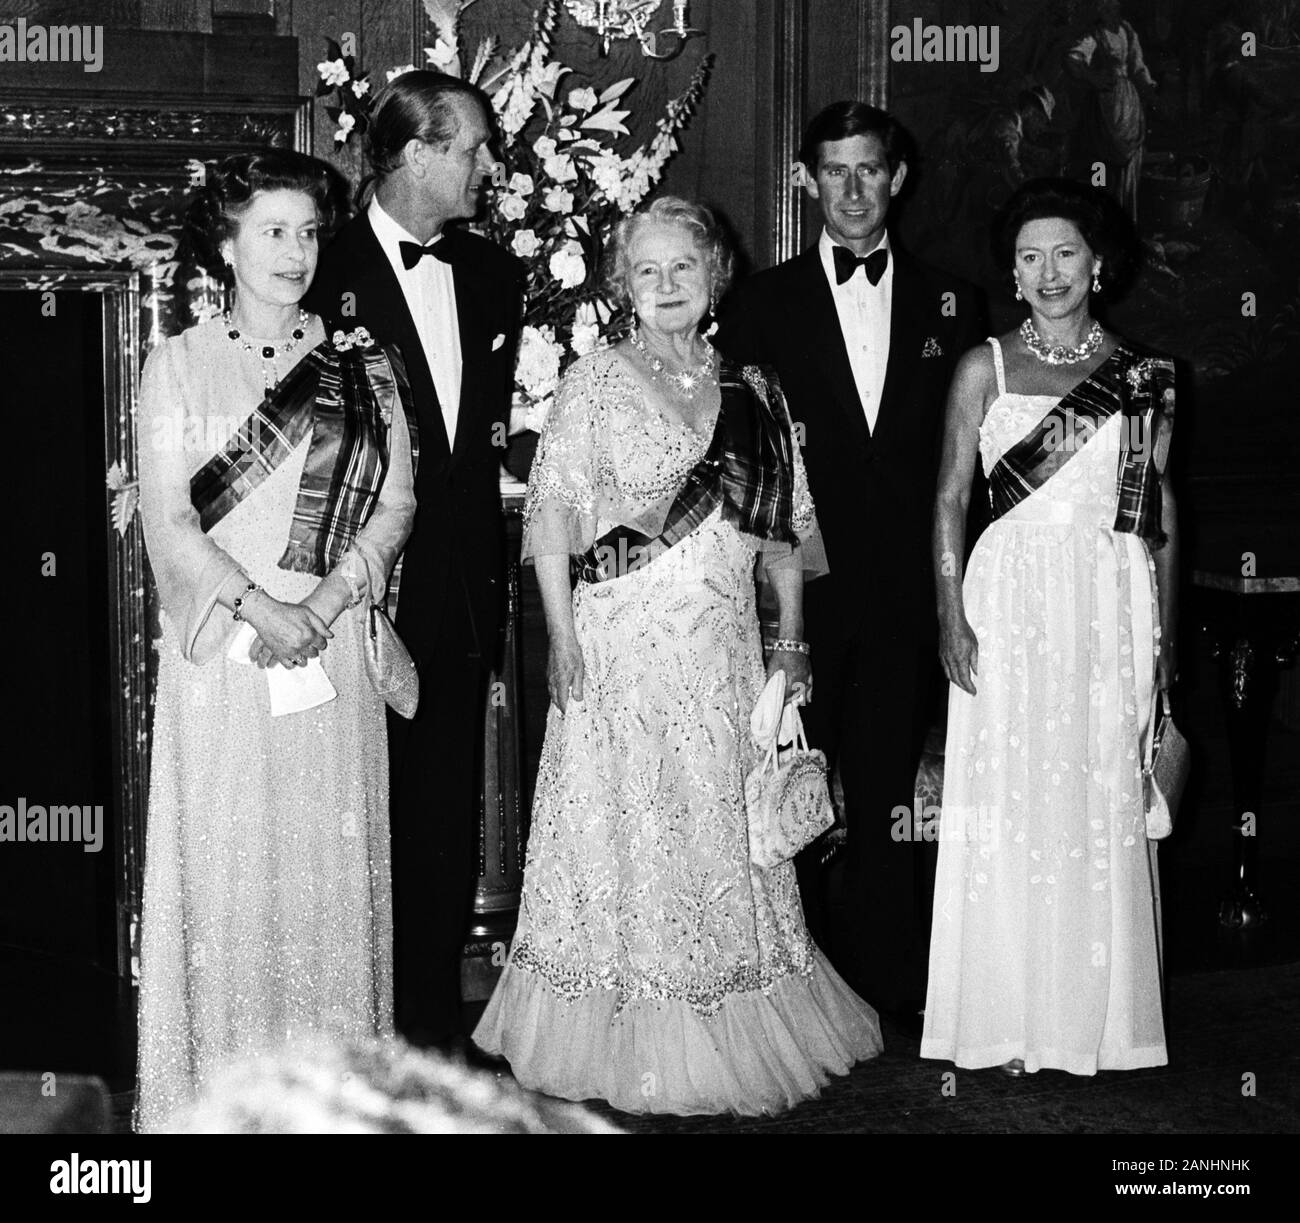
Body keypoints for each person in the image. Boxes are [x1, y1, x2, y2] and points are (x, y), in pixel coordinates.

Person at [473, 197, 882, 1115]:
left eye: (682, 270)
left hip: (727, 652)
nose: (665, 287)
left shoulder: (757, 392)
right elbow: (550, 521)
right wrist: (564, 639)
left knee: (717, 820)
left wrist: (791, 642)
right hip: (620, 645)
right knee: (634, 820)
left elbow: (788, 533)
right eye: (646, 271)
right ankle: (628, 1019)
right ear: (623, 284)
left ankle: (731, 1008)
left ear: (713, 279)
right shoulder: (593, 382)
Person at [134, 148, 417, 1130]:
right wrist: (261, 607)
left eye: (306, 232)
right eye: (272, 231)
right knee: (232, 878)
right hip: (226, 657)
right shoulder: (176, 366)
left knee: (328, 880)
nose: (295, 252)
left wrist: (331, 599)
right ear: (227, 241)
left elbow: (396, 501)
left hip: (330, 650)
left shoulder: (362, 364)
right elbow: (169, 522)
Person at [715, 102, 983, 1037]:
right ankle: (795, 992)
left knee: (882, 793)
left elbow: (969, 469)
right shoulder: (757, 303)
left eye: (871, 170)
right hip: (801, 589)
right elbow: (740, 461)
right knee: (790, 791)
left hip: (910, 594)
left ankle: (889, 993)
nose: (855, 189)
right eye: (835, 172)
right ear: (806, 181)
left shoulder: (956, 301)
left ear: (897, 178)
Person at [922, 178, 1174, 1075]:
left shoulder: (1141, 375)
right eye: (1030, 257)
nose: (1049, 271)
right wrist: (950, 611)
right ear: (1013, 272)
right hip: (1009, 599)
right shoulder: (982, 365)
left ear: (1098, 263)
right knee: (1013, 803)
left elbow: (1156, 517)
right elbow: (951, 495)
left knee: (1096, 799)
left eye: (1066, 252)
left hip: (1109, 600)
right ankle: (1007, 1020)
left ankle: (1093, 1024)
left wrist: (1163, 646)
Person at [304, 71, 525, 1053]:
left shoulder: (491, 276)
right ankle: (352, 1023)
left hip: (462, 587)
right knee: (354, 810)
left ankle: (430, 1022)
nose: (487, 164)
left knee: (441, 810)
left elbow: (472, 443)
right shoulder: (319, 272)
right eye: (472, 147)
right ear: (414, 155)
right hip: (358, 590)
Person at [1066, 0, 1158, 223]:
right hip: (1104, 103)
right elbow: (1073, 58)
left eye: (1110, 5)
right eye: (1102, 6)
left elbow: (1137, 65)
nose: (1106, 9)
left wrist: (1149, 87)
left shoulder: (1126, 30)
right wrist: (1092, 77)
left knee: (1128, 160)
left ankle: (1124, 215)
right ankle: (1103, 218)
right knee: (1102, 159)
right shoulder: (1095, 35)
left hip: (1127, 101)